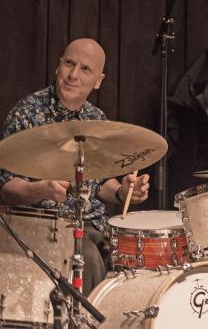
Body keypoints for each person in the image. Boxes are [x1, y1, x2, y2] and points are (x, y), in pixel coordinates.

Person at [0, 38, 151, 294]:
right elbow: (4, 186)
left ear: (99, 80)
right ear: (59, 65)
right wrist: (42, 189)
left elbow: (98, 183)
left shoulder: (96, 118)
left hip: (91, 226)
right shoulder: (27, 113)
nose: (73, 75)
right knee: (89, 259)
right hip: (41, 227)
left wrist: (121, 192)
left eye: (85, 69)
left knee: (138, 260)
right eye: (69, 63)